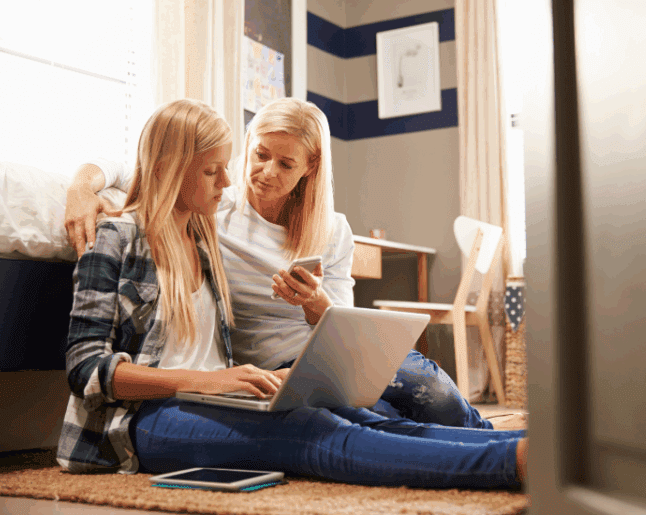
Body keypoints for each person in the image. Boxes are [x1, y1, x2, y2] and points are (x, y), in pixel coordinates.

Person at [57, 97, 528, 487]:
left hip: (226, 391)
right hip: (141, 420)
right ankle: (511, 467)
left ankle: (529, 447)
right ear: (172, 169)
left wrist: (250, 365)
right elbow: (85, 369)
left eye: (226, 168)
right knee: (312, 432)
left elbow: (164, 170)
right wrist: (83, 185)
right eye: (215, 171)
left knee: (369, 418)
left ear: (309, 168)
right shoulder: (117, 238)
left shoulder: (202, 238)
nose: (232, 181)